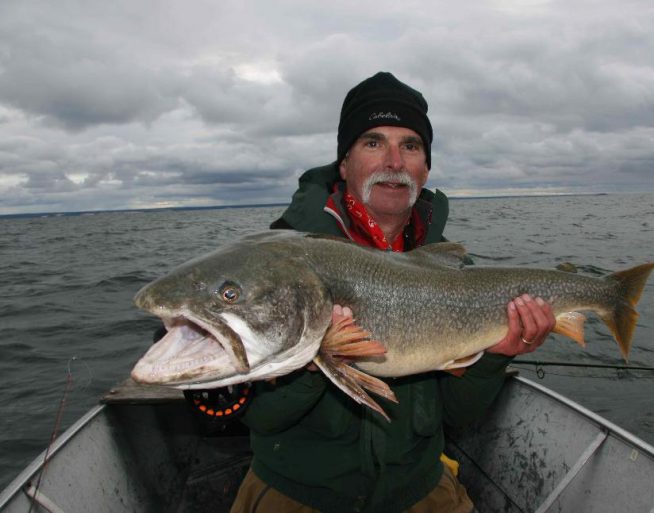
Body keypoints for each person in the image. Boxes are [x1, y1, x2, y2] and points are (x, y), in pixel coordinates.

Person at [230, 72, 555, 513]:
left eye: (410, 146)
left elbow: (456, 415)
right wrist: (310, 360)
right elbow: (261, 417)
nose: (394, 161)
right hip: (294, 494)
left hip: (420, 490)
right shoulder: (280, 265)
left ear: (425, 168)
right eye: (373, 142)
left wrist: (496, 356)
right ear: (344, 164)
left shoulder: (455, 274)